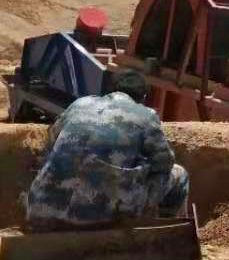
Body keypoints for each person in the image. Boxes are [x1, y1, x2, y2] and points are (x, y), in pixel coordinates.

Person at [24, 70, 190, 230]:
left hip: (42, 208)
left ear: (111, 90)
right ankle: (169, 232)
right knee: (179, 175)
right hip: (100, 216)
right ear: (144, 97)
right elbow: (164, 163)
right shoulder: (146, 115)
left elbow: (49, 143)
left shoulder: (80, 104)